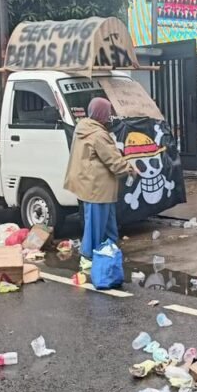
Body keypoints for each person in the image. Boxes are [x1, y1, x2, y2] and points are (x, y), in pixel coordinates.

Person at [63, 98, 136, 272]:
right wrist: (130, 168)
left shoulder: (84, 128)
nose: (110, 115)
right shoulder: (97, 134)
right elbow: (112, 159)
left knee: (108, 222)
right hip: (97, 187)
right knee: (95, 225)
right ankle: (87, 257)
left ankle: (111, 251)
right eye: (108, 112)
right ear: (102, 114)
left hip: (94, 186)